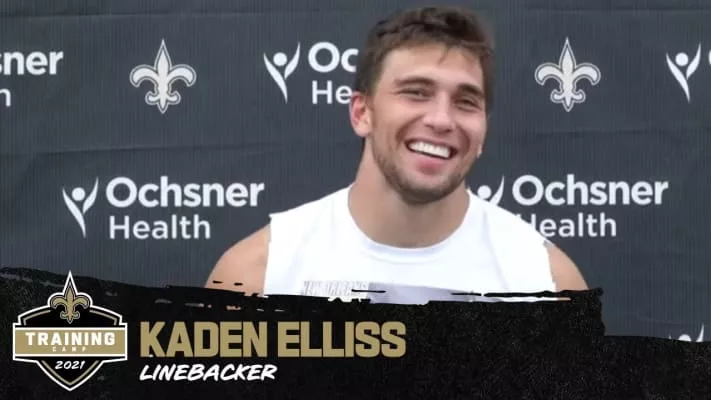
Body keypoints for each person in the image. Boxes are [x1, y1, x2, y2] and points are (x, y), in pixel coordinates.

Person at [206, 5, 587, 301]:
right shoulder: (256, 277)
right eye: (416, 92)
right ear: (362, 113)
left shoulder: (547, 282)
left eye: (466, 101)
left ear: (483, 130)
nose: (441, 119)